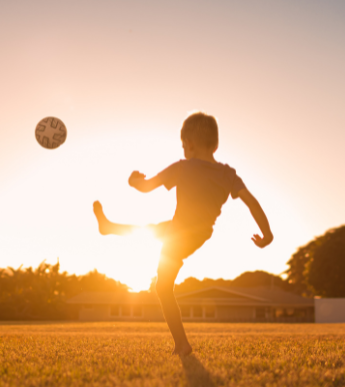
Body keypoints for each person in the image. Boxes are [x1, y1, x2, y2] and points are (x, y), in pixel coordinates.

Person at [93, 112, 273, 356]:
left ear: (188, 144)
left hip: (181, 233)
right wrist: (267, 233)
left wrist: (134, 180)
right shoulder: (228, 174)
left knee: (163, 287)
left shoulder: (182, 167)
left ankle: (182, 344)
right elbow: (252, 202)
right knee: (153, 230)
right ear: (215, 144)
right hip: (198, 233)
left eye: (183, 145)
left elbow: (146, 187)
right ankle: (109, 227)